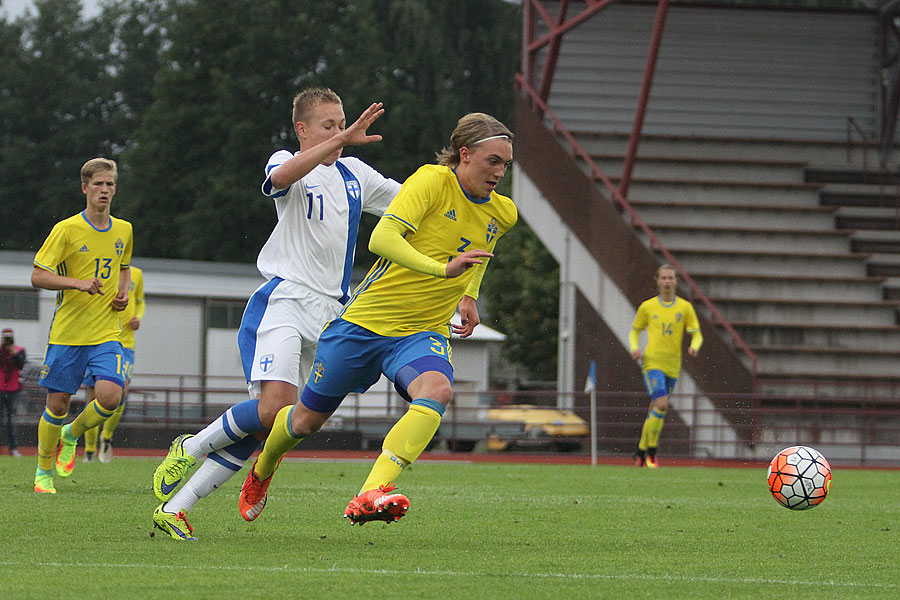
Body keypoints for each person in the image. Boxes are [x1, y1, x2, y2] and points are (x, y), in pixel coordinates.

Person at [237, 112, 516, 526]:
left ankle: (372, 490)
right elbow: (381, 239)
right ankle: (263, 468)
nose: (500, 172)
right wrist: (443, 270)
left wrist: (469, 295)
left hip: (422, 331)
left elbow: (478, 254)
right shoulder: (429, 181)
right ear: (464, 154)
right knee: (305, 420)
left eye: (506, 164)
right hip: (365, 324)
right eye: (493, 161)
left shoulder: (503, 213)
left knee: (437, 390)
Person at [151, 87, 402, 541]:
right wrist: (337, 141)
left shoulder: (355, 175)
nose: (340, 132)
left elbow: (410, 206)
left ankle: (176, 507)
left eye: (342, 122)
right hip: (284, 301)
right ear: (303, 130)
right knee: (273, 410)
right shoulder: (287, 160)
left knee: (278, 426)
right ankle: (190, 447)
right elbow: (282, 176)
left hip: (330, 313)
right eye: (329, 125)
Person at [31, 157, 132, 493]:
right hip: (69, 332)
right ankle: (43, 472)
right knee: (57, 404)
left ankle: (72, 434)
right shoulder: (66, 229)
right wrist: (78, 283)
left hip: (106, 331)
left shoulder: (124, 229)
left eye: (110, 184)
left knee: (110, 396)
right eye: (99, 184)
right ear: (85, 187)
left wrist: (123, 293)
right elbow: (37, 275)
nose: (105, 190)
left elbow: (124, 267)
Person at [629, 264, 702, 468]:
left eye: (671, 278)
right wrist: (635, 348)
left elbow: (697, 333)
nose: (667, 282)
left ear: (676, 281)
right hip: (652, 362)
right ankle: (652, 453)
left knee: (656, 409)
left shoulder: (685, 308)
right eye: (664, 278)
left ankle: (640, 453)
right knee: (661, 403)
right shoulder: (648, 307)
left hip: (673, 365)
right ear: (657, 281)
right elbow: (634, 331)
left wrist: (694, 346)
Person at [82, 265, 145, 463]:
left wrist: (138, 318)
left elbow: (140, 302)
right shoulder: (98, 268)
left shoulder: (135, 274)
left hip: (125, 344)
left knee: (122, 390)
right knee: (93, 395)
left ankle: (106, 437)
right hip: (98, 340)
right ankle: (89, 450)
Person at [0, 327, 27, 457]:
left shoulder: (19, 351)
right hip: (0, 388)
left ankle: (13, 447)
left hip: (13, 389)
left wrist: (14, 352)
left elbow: (21, 364)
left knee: (12, 419)